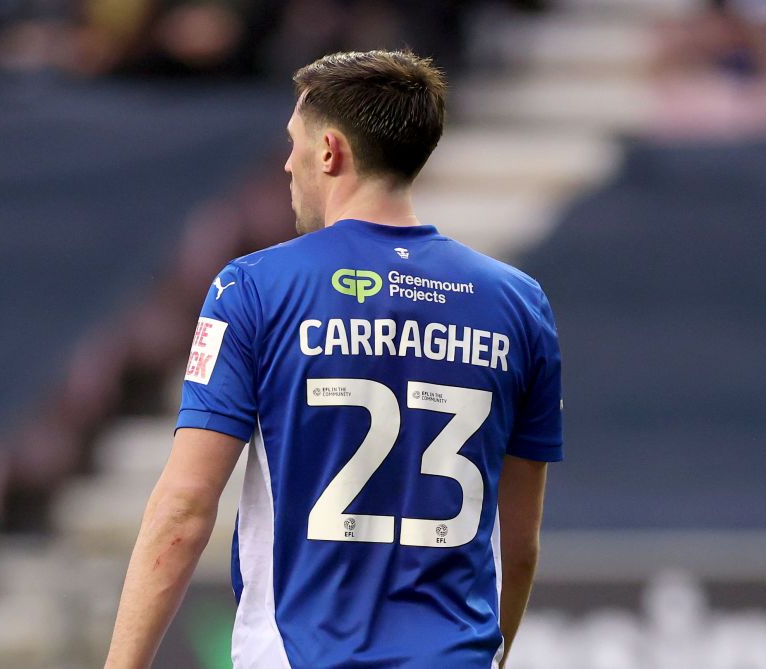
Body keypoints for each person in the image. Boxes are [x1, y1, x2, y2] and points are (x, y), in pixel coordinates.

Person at [105, 49, 563, 669]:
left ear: (329, 150)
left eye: (293, 143)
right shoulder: (519, 303)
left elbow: (184, 509)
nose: (287, 163)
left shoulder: (256, 287)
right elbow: (522, 544)